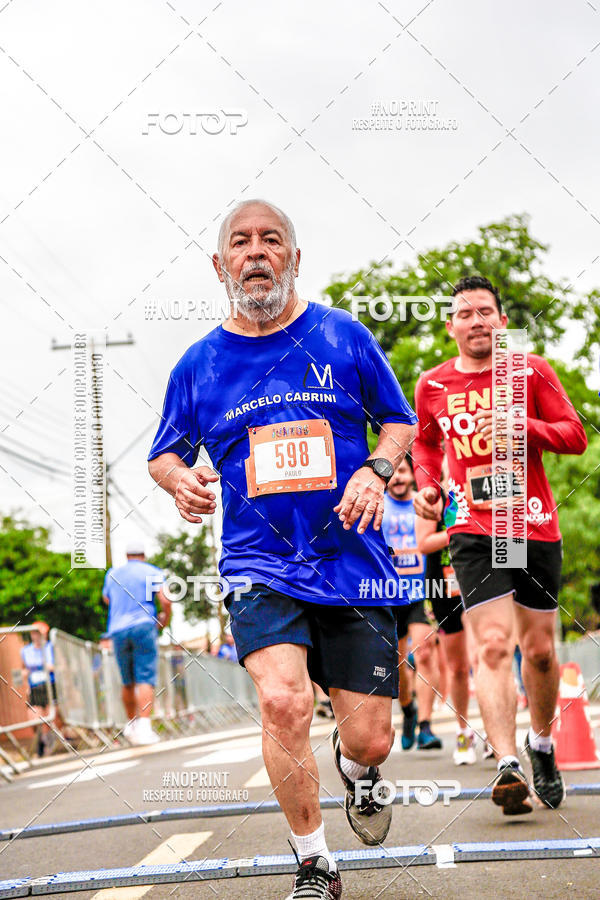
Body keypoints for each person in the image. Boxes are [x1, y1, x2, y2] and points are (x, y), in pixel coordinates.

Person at [148, 199, 417, 899]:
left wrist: (375, 469)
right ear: (220, 265)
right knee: (282, 702)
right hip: (258, 564)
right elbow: (164, 456)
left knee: (372, 740)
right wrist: (182, 481)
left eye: (273, 240)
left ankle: (356, 773)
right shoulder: (198, 365)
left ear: (296, 258)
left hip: (354, 565)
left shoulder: (342, 335)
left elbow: (398, 422)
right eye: (241, 242)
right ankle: (314, 862)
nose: (257, 252)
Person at [413, 274, 587, 815]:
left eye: (485, 311)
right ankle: (507, 763)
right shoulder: (433, 385)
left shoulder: (529, 372)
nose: (476, 321)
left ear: (502, 322)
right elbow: (423, 441)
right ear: (451, 327)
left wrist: (524, 424)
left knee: (537, 652)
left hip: (530, 524)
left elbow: (575, 436)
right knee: (490, 645)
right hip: (471, 527)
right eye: (464, 313)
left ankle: (542, 745)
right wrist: (426, 485)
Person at [415, 458, 476, 765]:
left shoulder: (486, 481)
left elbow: (509, 532)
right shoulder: (434, 494)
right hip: (444, 587)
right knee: (458, 667)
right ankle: (464, 731)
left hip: (484, 582)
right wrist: (463, 533)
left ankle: (496, 737)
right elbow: (423, 543)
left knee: (488, 652)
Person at [382, 455, 442, 751]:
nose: (398, 478)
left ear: (412, 475)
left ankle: (426, 726)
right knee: (398, 663)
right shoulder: (378, 503)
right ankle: (408, 711)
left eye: (403, 471)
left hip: (421, 589)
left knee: (426, 653)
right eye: (392, 474)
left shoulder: (424, 502)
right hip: (388, 594)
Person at [102, 540, 172, 746]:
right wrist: (164, 619)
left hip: (117, 629)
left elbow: (107, 599)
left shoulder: (112, 574)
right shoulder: (152, 571)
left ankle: (131, 725)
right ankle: (144, 727)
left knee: (127, 680)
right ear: (143, 555)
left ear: (127, 556)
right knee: (145, 676)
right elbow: (166, 600)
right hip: (143, 625)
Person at [21, 621, 56, 757]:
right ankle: (42, 738)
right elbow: (24, 669)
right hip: (35, 686)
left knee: (49, 716)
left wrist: (49, 667)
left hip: (49, 684)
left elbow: (56, 666)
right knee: (34, 718)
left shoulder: (49, 647)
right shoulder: (25, 651)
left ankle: (46, 743)